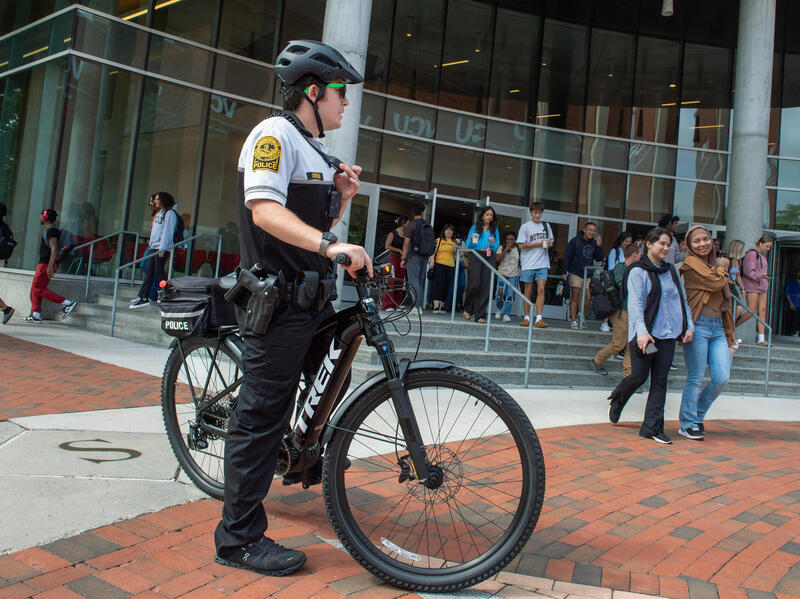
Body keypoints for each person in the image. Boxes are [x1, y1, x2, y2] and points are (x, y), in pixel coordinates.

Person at [213, 40, 370, 577]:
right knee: (260, 416)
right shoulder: (273, 135)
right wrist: (333, 247)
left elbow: (311, 234)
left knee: (332, 375)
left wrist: (342, 201)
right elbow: (263, 212)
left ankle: (303, 456)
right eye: (339, 92)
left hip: (311, 300)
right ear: (312, 91)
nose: (345, 102)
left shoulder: (315, 149)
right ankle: (237, 539)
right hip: (276, 304)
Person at [607, 227, 694, 445]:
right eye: (661, 244)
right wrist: (643, 332)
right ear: (649, 244)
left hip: (668, 333)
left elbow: (682, 300)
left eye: (668, 244)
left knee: (660, 381)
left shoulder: (672, 271)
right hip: (644, 334)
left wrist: (689, 326)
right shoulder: (638, 271)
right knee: (638, 377)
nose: (666, 248)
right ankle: (618, 398)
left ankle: (652, 428)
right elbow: (635, 305)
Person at [678, 225, 736, 440]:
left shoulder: (713, 265)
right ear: (689, 245)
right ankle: (688, 423)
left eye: (706, 239)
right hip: (698, 326)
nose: (702, 244)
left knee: (721, 378)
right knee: (695, 378)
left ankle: (696, 416)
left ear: (712, 241)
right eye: (696, 241)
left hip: (719, 327)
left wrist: (719, 267)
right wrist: (722, 267)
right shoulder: (690, 265)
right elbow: (717, 282)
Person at [591, 243, 641, 377]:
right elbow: (622, 285)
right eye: (640, 254)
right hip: (621, 312)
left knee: (630, 346)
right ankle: (597, 360)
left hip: (631, 312)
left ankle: (628, 377)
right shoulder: (621, 268)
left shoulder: (632, 269)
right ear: (635, 254)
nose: (641, 256)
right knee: (619, 344)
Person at [25, 208, 78, 322]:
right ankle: (36, 314)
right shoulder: (49, 230)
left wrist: (50, 266)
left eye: (41, 216)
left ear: (45, 217)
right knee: (36, 288)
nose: (39, 218)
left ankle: (67, 303)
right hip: (44, 263)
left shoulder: (52, 231)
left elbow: (54, 249)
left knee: (38, 288)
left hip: (46, 264)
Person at [130, 192, 178, 309]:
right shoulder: (159, 213)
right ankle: (143, 297)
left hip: (160, 249)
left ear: (163, 200)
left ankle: (169, 293)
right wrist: (151, 245)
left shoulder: (169, 213)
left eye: (157, 199)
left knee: (159, 272)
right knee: (150, 271)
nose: (155, 201)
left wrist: (162, 249)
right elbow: (155, 232)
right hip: (154, 248)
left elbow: (167, 232)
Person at [517, 202, 553, 328]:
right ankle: (526, 317)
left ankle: (539, 317)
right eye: (535, 212)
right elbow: (521, 245)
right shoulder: (525, 227)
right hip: (528, 263)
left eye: (539, 212)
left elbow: (551, 242)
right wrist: (537, 244)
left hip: (543, 262)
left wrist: (548, 243)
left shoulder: (546, 226)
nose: (537, 215)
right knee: (528, 289)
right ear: (531, 212)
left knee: (541, 288)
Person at [562, 222, 603, 330]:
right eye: (590, 230)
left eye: (594, 230)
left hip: (588, 274)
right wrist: (564, 272)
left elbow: (599, 258)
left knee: (588, 298)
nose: (592, 232)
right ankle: (574, 320)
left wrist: (599, 246)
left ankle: (580, 314)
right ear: (584, 230)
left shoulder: (594, 243)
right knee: (575, 296)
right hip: (575, 273)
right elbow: (567, 256)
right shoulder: (575, 241)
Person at [463, 206, 499, 323]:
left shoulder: (494, 229)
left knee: (486, 286)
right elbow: (469, 246)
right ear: (482, 215)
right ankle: (468, 308)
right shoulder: (475, 227)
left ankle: (480, 314)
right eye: (487, 214)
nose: (489, 217)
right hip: (476, 255)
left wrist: (493, 244)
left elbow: (496, 246)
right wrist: (472, 239)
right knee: (474, 283)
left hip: (489, 256)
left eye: (491, 215)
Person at [738, 234, 775, 346]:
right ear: (760, 243)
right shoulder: (752, 254)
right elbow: (749, 271)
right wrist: (762, 276)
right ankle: (731, 327)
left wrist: (763, 278)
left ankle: (761, 338)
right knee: (751, 311)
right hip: (753, 286)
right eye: (767, 246)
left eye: (769, 247)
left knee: (762, 310)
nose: (768, 249)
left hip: (762, 286)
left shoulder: (762, 256)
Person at [400, 203, 429, 309]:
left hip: (414, 255)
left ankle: (416, 307)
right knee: (419, 281)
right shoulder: (427, 225)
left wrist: (403, 257)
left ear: (413, 213)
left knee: (413, 281)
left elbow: (406, 243)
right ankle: (419, 306)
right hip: (425, 256)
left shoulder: (411, 225)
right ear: (423, 212)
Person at [429, 223, 457, 314]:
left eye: (451, 230)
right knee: (438, 284)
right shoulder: (438, 240)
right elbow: (432, 252)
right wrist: (432, 261)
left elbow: (460, 254)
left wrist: (456, 249)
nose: (449, 231)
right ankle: (436, 306)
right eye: (447, 230)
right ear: (444, 231)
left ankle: (442, 305)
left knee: (446, 285)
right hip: (439, 264)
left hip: (451, 266)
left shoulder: (455, 242)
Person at [380, 216, 407, 310]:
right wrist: (399, 250)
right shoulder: (393, 233)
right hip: (392, 258)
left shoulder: (407, 235)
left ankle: (396, 304)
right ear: (403, 223)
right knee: (391, 280)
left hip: (401, 260)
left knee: (400, 282)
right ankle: (387, 304)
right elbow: (387, 246)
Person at [494, 232, 520, 322]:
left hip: (513, 275)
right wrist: (505, 250)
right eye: (508, 239)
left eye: (512, 239)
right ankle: (499, 309)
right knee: (500, 292)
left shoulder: (518, 249)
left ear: (515, 240)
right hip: (502, 273)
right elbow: (497, 259)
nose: (509, 241)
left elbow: (520, 262)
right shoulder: (502, 247)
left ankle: (506, 313)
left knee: (509, 295)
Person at [725, 239, 745, 321]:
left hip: (733, 286)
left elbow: (738, 276)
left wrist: (743, 288)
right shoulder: (726, 260)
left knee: (739, 309)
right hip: (727, 285)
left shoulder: (738, 261)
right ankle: (727, 326)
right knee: (731, 309)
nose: (742, 250)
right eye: (741, 248)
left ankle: (729, 325)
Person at [784, 268, 800, 336]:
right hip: (793, 303)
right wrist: (791, 303)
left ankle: (797, 332)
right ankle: (792, 333)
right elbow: (787, 293)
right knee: (794, 319)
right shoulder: (791, 282)